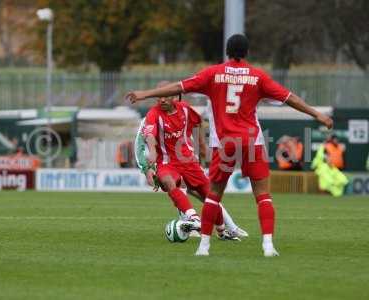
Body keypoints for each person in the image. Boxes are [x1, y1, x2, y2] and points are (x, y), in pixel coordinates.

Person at [126, 34, 333, 257]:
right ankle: (268, 246)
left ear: (226, 51)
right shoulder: (258, 76)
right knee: (263, 195)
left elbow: (179, 86)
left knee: (213, 195)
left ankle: (204, 246)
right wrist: (317, 115)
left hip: (225, 144)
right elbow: (289, 97)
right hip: (252, 142)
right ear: (247, 53)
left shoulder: (213, 74)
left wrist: (145, 94)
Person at [134, 81, 248, 240]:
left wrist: (202, 147)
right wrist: (152, 155)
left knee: (211, 197)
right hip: (167, 163)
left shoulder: (185, 109)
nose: (162, 100)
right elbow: (150, 136)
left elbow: (199, 121)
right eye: (159, 97)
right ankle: (193, 218)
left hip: (189, 163)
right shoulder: (153, 114)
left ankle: (223, 231)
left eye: (166, 96)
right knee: (169, 181)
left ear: (175, 96)